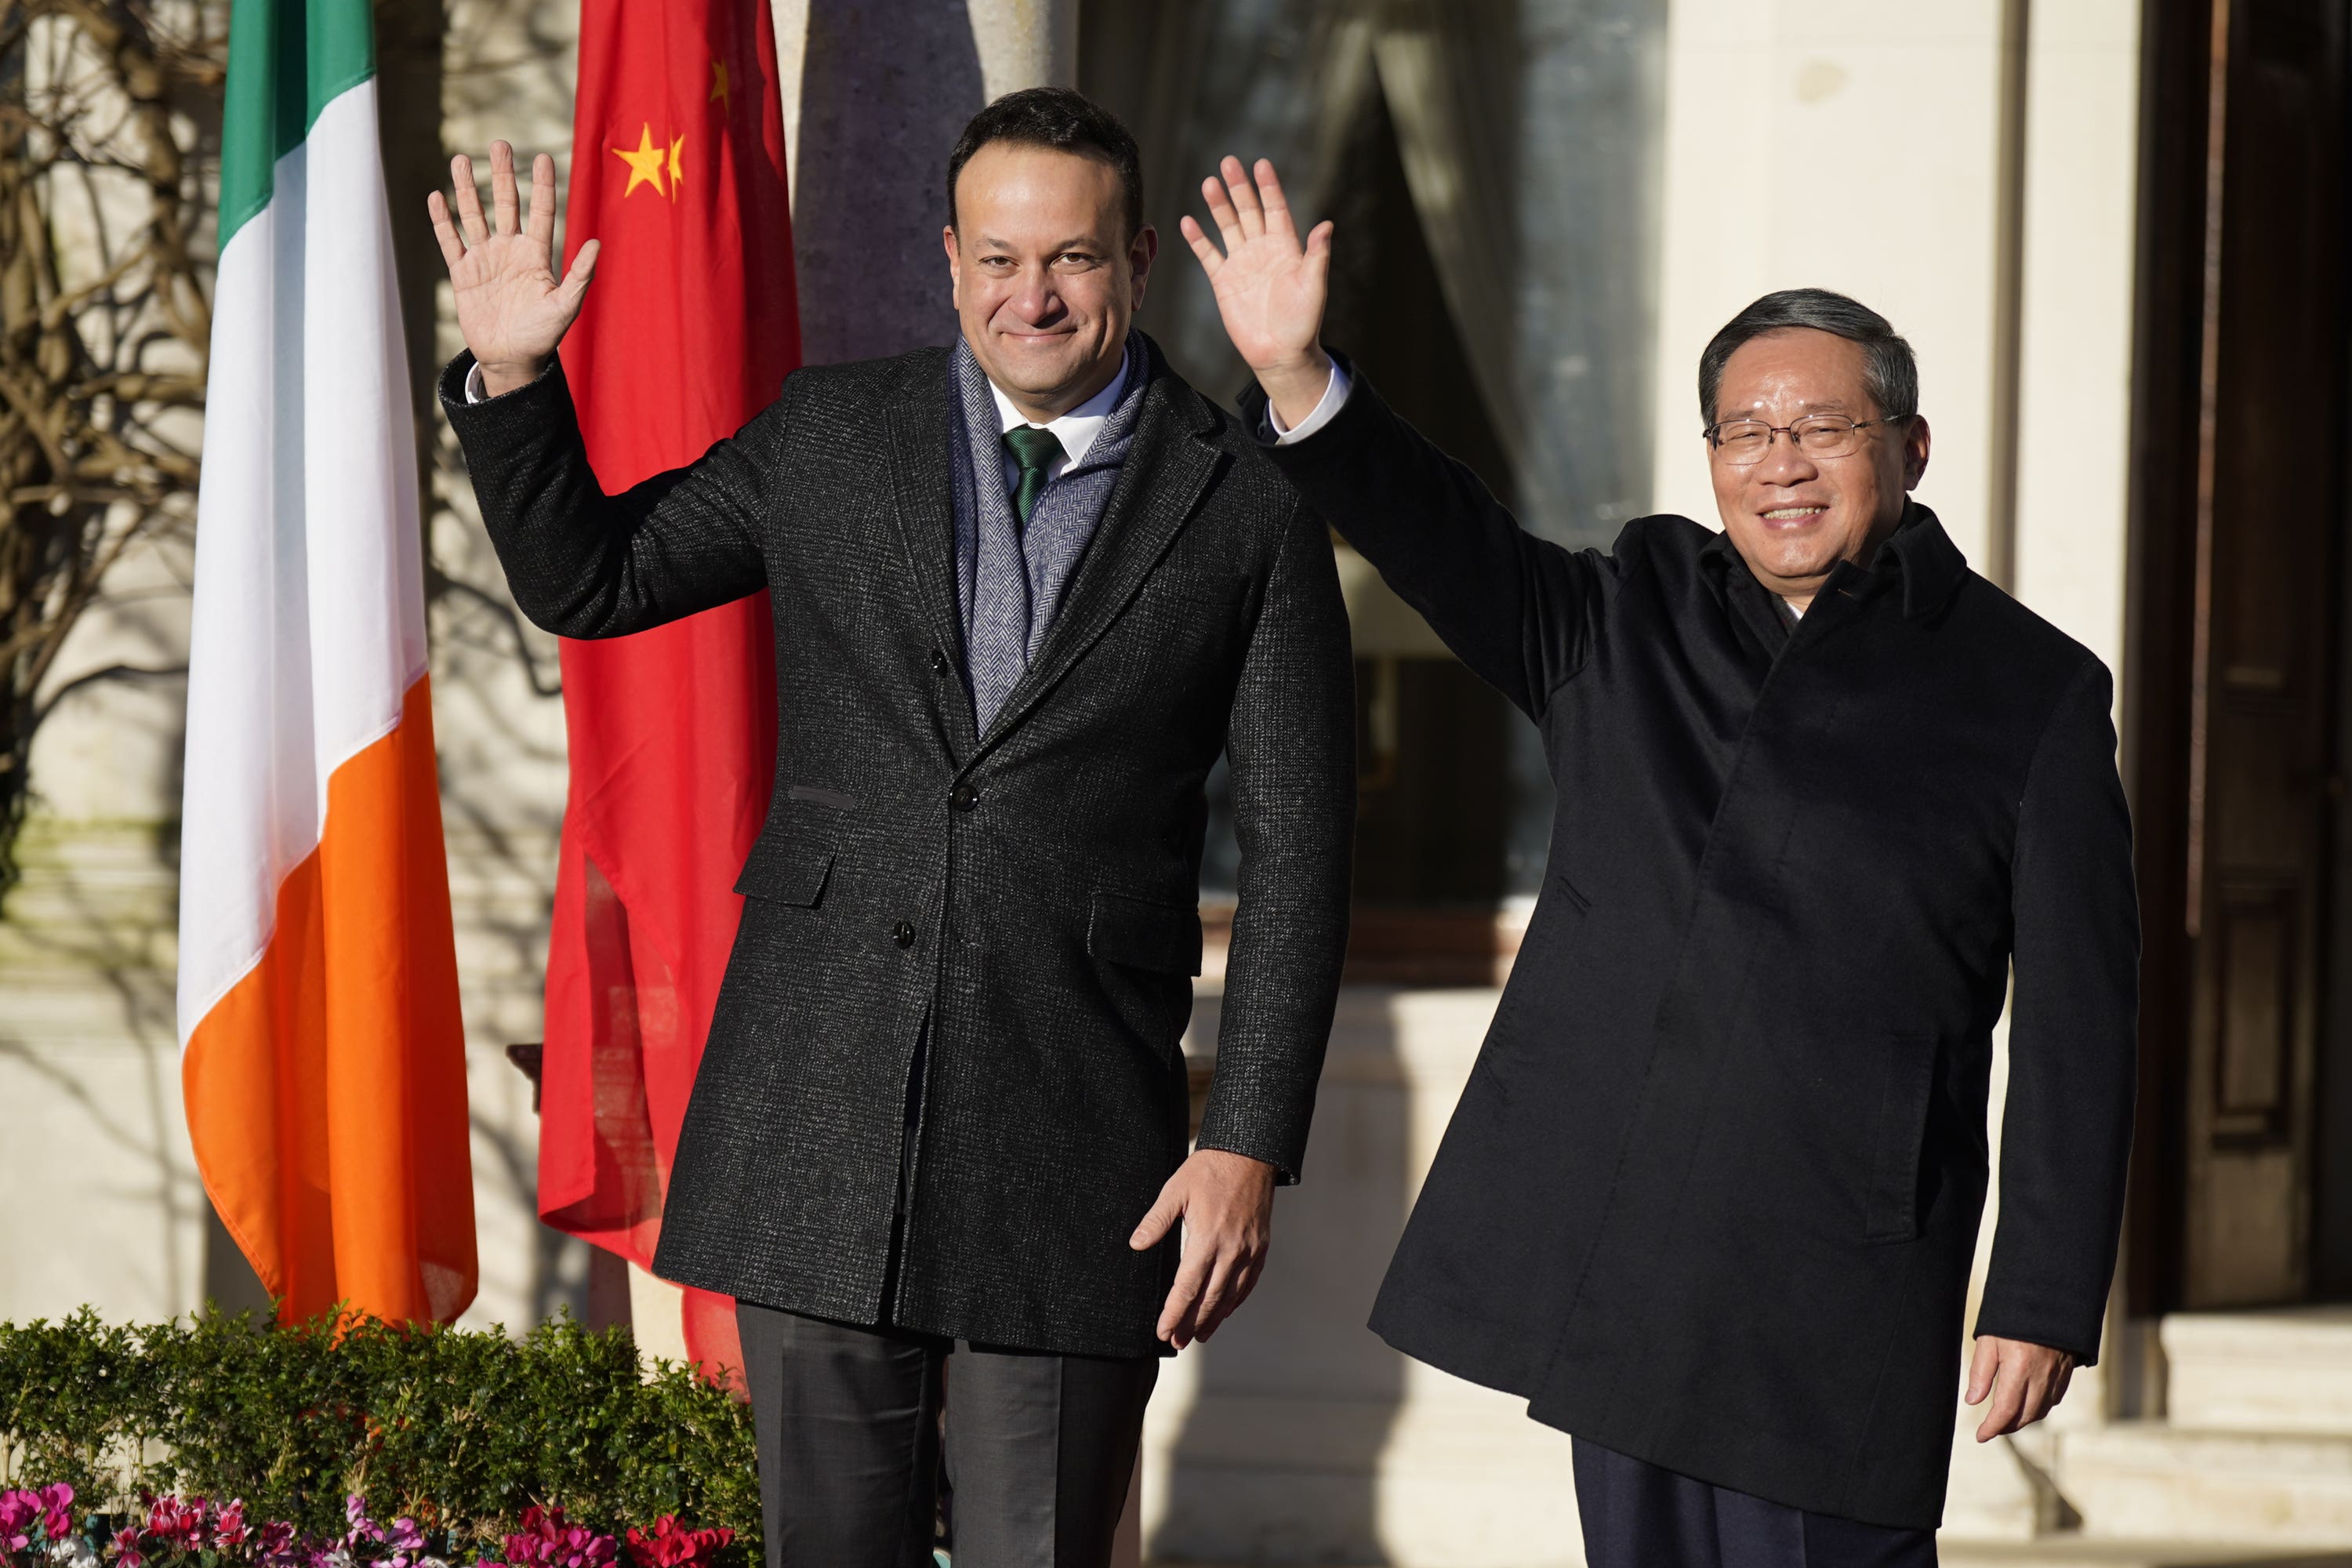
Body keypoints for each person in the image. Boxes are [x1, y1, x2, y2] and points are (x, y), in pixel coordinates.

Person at [428, 99, 1355, 1565]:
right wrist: (515, 373)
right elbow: (592, 580)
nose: (1028, 295)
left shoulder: (1246, 502)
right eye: (995, 257)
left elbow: (1305, 850)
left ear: (1132, 261)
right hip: (813, 1123)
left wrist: (1246, 1142)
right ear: (946, 258)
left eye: (1069, 259)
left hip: (1075, 1154)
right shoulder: (833, 434)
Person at [1182, 158, 2138, 1566]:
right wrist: (1298, 370)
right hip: (1628, 1254)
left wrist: (2045, 1292)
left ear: (1913, 446)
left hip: (1838, 1282)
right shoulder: (1633, 612)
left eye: (1824, 427)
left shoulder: (2031, 691)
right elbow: (1452, 541)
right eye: (1745, 431)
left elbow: (2081, 1025)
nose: (1782, 462)